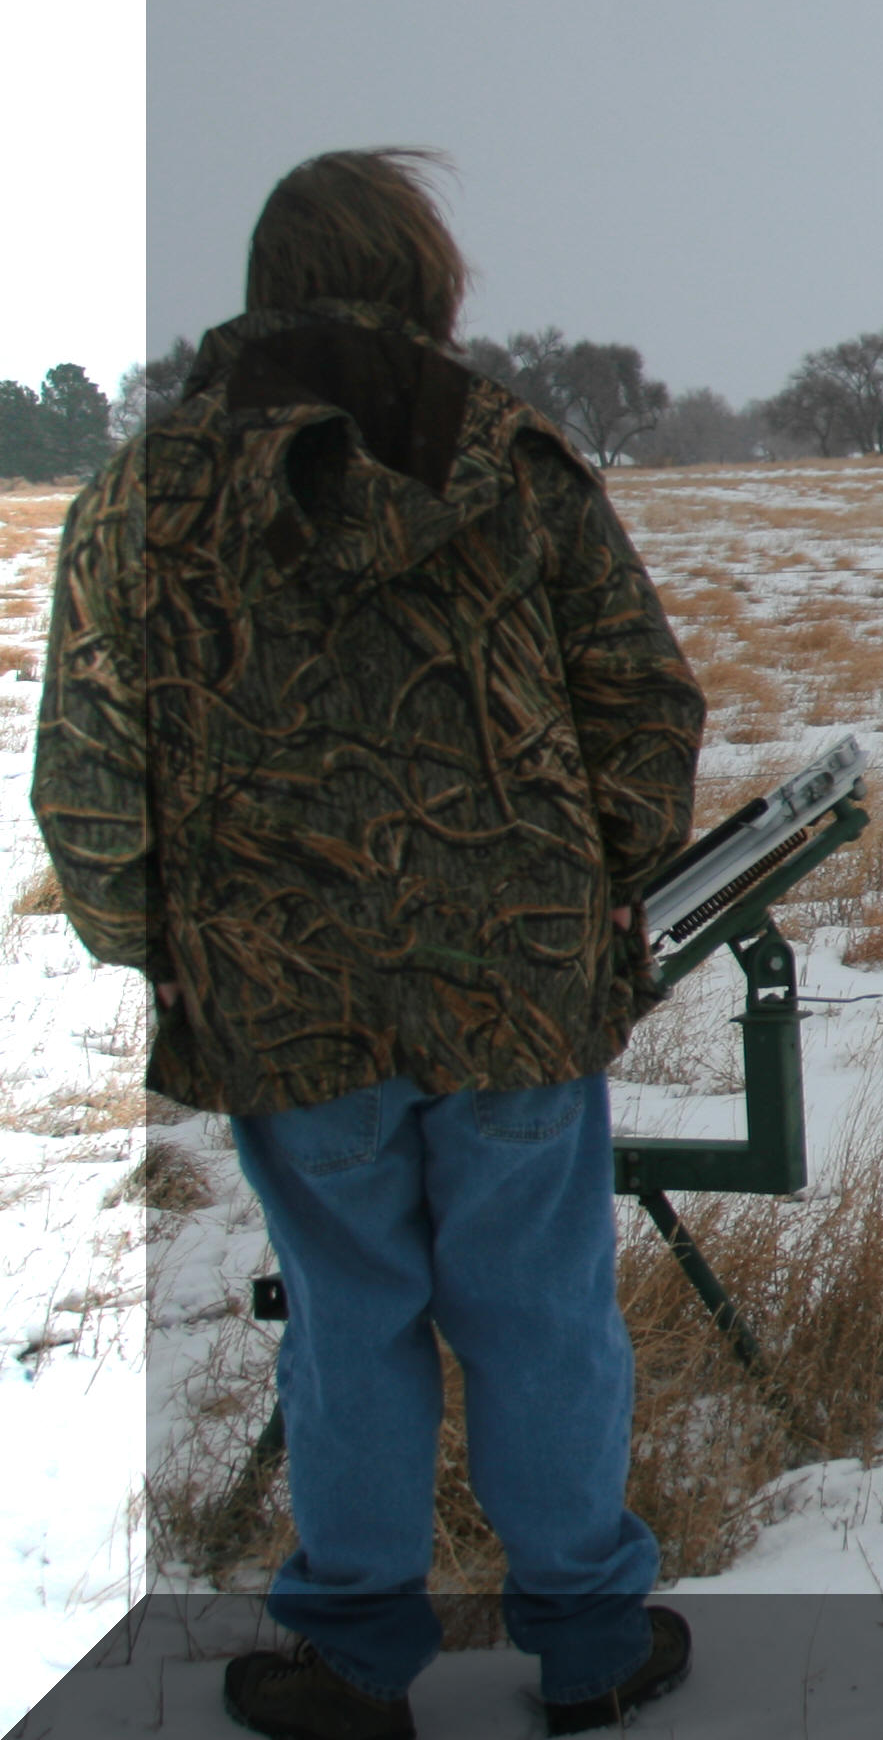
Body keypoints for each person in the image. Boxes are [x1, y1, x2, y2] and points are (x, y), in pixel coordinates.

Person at [31, 151, 708, 1740]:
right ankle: (594, 1643)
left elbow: (89, 773)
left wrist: (165, 947)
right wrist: (604, 886)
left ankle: (350, 1654)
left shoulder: (147, 494)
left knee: (351, 1315)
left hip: (285, 1000)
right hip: (517, 981)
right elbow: (642, 698)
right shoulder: (517, 459)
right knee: (540, 1313)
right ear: (425, 278)